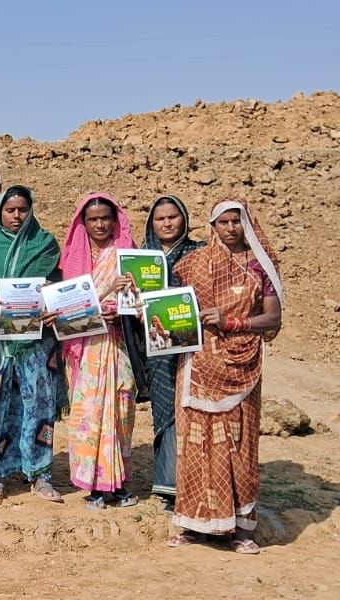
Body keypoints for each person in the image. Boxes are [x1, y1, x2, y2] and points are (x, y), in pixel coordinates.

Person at [168, 198, 284, 555]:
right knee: (194, 442)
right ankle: (190, 522)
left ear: (247, 224)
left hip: (243, 365)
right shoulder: (195, 265)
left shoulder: (261, 266)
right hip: (199, 363)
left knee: (239, 443)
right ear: (212, 227)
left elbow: (273, 319)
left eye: (237, 221)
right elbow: (168, 300)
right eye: (224, 222)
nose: (231, 228)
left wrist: (233, 322)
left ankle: (241, 529)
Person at [0, 186, 63, 503]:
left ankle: (40, 474)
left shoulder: (44, 243)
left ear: (30, 210)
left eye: (22, 209)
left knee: (38, 406)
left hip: (34, 344)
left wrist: (52, 296)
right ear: (1, 211)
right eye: (10, 210)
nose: (16, 216)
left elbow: (59, 283)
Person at [55, 193, 138, 508]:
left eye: (106, 218)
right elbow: (68, 307)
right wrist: (102, 298)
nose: (100, 224)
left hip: (119, 344)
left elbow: (141, 297)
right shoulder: (73, 258)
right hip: (87, 347)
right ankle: (94, 484)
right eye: (93, 219)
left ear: (116, 220)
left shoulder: (127, 256)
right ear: (83, 223)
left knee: (120, 407)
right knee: (89, 414)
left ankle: (117, 483)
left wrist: (120, 306)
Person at [128, 195, 204, 510]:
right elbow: (130, 301)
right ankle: (167, 486)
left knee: (192, 413)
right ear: (151, 223)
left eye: (173, 217)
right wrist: (133, 307)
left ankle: (194, 482)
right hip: (157, 352)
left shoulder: (199, 254)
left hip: (192, 349)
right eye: (160, 219)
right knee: (165, 414)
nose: (167, 223)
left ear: (184, 219)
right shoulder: (141, 258)